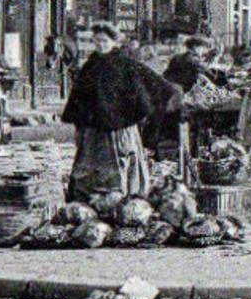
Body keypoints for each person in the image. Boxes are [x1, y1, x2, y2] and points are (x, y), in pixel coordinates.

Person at [61, 21, 182, 200]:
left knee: (121, 168)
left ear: (114, 42)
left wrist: (143, 111)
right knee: (89, 171)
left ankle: (121, 199)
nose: (101, 45)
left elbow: (155, 83)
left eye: (105, 41)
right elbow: (80, 96)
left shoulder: (125, 64)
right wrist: (80, 123)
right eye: (97, 41)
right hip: (94, 132)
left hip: (120, 131)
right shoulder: (90, 65)